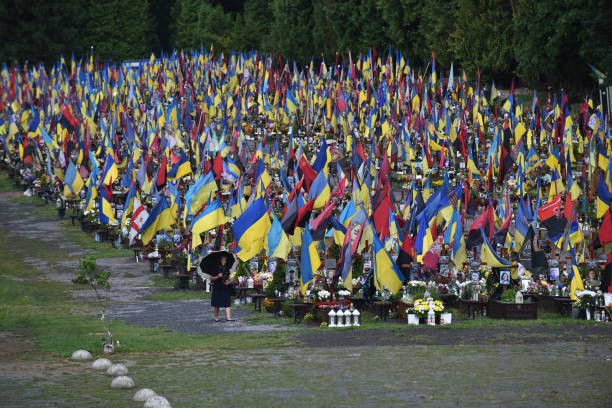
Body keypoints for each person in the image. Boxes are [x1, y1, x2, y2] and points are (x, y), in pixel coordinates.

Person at [210, 256, 234, 322]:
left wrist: (228, 281)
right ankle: (216, 317)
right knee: (216, 303)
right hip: (217, 287)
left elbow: (228, 277)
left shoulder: (226, 268)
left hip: (225, 287)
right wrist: (218, 276)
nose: (224, 262)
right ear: (220, 261)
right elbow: (211, 278)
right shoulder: (215, 268)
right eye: (223, 260)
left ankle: (228, 317)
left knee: (227, 302)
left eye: (225, 261)